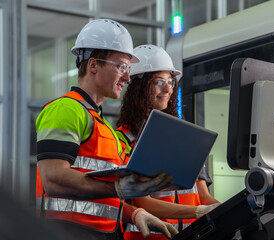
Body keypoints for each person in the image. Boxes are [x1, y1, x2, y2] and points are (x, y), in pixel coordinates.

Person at [35, 19, 178, 240]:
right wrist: (119, 189)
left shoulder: (104, 128)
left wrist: (134, 213)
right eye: (121, 66)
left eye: (128, 69)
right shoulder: (65, 109)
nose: (127, 77)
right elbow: (53, 178)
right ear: (93, 65)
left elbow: (98, 203)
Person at [115, 44, 220, 240]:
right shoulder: (123, 140)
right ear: (138, 86)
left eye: (170, 81)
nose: (167, 89)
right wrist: (197, 212)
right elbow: (143, 202)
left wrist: (224, 211)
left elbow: (203, 196)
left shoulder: (187, 138)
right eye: (158, 81)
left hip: (191, 236)